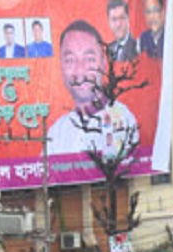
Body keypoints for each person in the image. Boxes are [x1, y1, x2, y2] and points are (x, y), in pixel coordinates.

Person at [46, 20, 139, 159]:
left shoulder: (122, 120)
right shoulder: (56, 133)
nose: (80, 70)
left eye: (89, 59)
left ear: (104, 63)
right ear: (60, 66)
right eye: (70, 60)